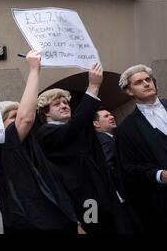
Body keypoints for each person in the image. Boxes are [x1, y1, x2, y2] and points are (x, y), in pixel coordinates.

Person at [35, 63, 136, 234]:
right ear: (46, 113)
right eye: (57, 104)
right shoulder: (46, 133)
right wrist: (93, 87)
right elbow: (74, 127)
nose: (64, 105)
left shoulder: (79, 130)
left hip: (104, 196)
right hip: (86, 203)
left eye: (65, 102)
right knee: (97, 230)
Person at [0, 50, 80, 234]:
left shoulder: (32, 148)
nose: (18, 120)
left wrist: (74, 221)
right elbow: (26, 119)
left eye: (18, 116)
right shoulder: (1, 147)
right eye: (12, 116)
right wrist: (34, 70)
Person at [116, 64, 167, 232]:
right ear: (129, 91)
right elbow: (129, 168)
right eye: (139, 82)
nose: (146, 84)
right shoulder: (126, 129)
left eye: (148, 79)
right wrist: (159, 175)